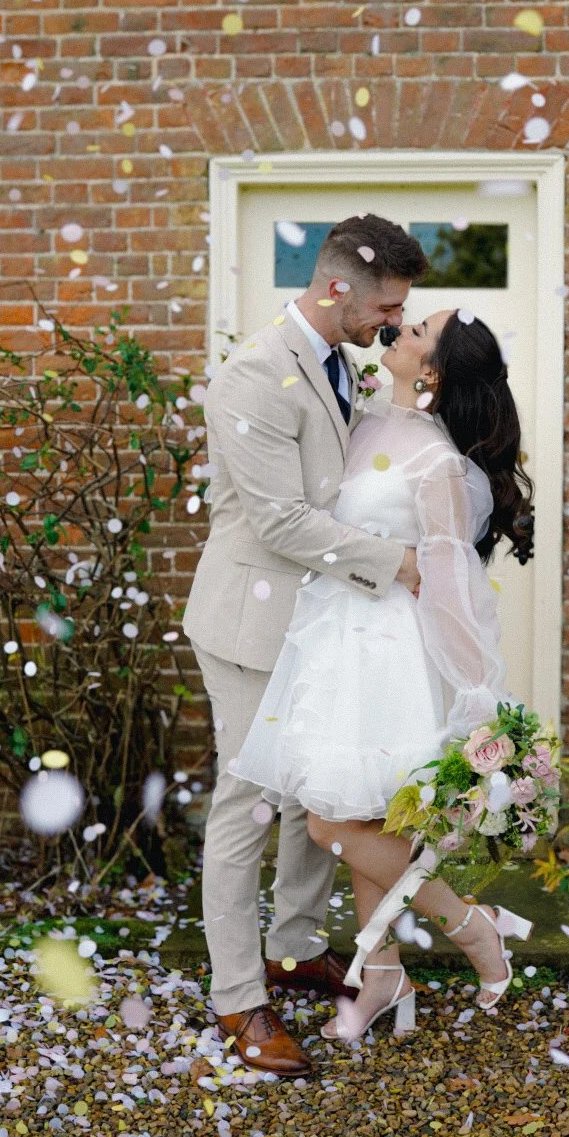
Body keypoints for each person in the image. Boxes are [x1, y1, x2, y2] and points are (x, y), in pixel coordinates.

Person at [228, 302, 537, 1048]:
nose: (400, 331)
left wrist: (476, 693)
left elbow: (449, 582)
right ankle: (383, 975)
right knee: (359, 815)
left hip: (388, 651)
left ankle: (473, 927)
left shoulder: (436, 461)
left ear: (430, 372)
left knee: (333, 822)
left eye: (418, 331)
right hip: (331, 637)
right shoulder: (363, 418)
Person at [183, 213, 430, 1077]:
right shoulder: (252, 376)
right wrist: (395, 562)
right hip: (251, 626)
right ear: (336, 290)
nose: (392, 324)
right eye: (386, 308)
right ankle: (238, 998)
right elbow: (282, 520)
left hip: (315, 620)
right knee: (247, 808)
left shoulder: (342, 366)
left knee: (307, 793)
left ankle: (293, 946)